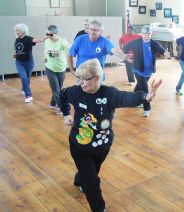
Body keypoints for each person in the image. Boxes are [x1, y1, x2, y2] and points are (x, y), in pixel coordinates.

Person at [59, 58, 162, 212]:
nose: (81, 83)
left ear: (97, 78)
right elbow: (62, 95)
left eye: (85, 80)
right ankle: (99, 208)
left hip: (102, 146)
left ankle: (80, 179)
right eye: (78, 79)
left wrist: (146, 97)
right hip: (79, 145)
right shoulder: (75, 92)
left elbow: (126, 97)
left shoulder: (108, 94)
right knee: (92, 182)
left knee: (89, 173)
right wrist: (66, 114)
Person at [124, 25, 170, 117]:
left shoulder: (153, 43)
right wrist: (127, 56)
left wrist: (165, 53)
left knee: (139, 87)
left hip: (148, 71)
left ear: (151, 34)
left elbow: (160, 49)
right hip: (138, 70)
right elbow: (126, 48)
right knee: (145, 88)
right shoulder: (136, 42)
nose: (146, 35)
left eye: (148, 33)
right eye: (145, 33)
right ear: (141, 33)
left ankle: (133, 100)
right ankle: (146, 107)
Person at [13, 23, 46, 103]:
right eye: (16, 30)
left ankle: (24, 88)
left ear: (23, 31)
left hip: (29, 62)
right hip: (19, 62)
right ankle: (28, 95)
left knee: (27, 78)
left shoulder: (28, 38)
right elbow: (17, 49)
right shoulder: (17, 40)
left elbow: (36, 40)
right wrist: (14, 53)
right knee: (24, 77)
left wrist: (45, 38)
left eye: (18, 30)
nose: (17, 32)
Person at [44, 25, 70, 114]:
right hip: (49, 67)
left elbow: (70, 48)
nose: (48, 36)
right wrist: (45, 58)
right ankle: (61, 107)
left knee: (59, 87)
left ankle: (52, 103)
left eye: (50, 34)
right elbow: (46, 51)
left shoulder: (62, 41)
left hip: (61, 67)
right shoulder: (47, 41)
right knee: (55, 88)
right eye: (47, 34)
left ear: (55, 33)